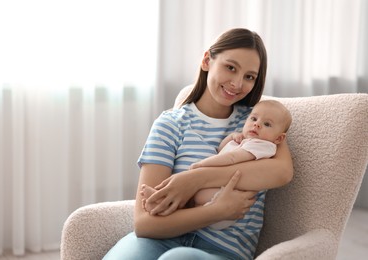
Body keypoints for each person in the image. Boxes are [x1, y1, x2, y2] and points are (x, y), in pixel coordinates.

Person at [103, 28, 293, 260]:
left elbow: (282, 172)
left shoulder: (259, 121)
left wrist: (194, 179)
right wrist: (216, 211)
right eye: (230, 67)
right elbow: (144, 224)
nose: (237, 83)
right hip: (160, 240)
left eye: (249, 76)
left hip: (223, 250)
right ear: (206, 61)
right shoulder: (170, 123)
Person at [141, 99, 292, 230]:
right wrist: (232, 137)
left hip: (226, 198)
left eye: (266, 124)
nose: (257, 125)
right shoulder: (247, 140)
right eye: (253, 119)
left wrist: (200, 167)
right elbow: (222, 150)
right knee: (191, 196)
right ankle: (159, 202)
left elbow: (231, 158)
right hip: (216, 197)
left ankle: (160, 202)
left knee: (197, 195)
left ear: (279, 138)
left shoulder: (263, 145)